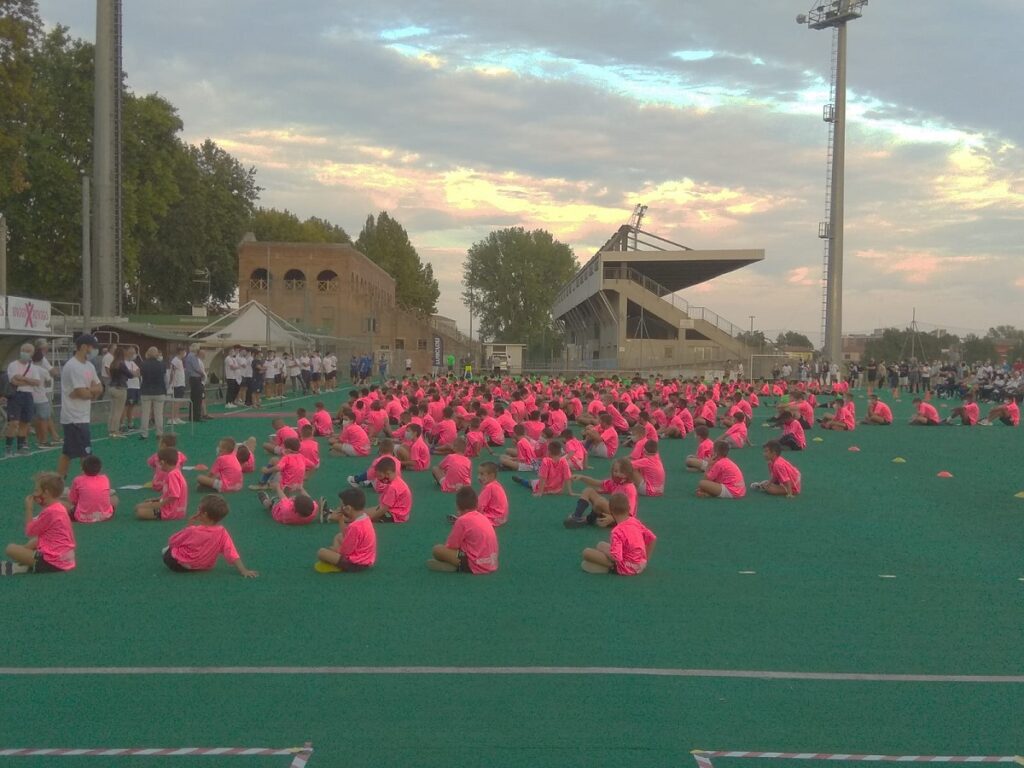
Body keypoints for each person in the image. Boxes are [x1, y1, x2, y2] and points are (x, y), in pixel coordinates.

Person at [162, 494, 258, 577]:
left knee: (169, 550)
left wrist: (188, 527)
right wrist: (243, 570)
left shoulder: (192, 530)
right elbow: (231, 552)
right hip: (203, 566)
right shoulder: (222, 532)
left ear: (204, 514)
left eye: (199, 508)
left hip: (178, 565)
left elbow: (172, 541)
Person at [1, 472, 75, 575]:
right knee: (36, 541)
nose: (34, 493)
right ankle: (24, 560)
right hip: (66, 558)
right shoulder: (59, 507)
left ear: (46, 493)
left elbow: (29, 531)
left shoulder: (49, 512)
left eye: (36, 490)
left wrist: (29, 508)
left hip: (53, 562)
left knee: (10, 549)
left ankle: (25, 563)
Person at [57, 334, 103, 481]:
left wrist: (89, 391)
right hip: (74, 417)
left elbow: (99, 387)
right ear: (84, 347)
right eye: (92, 347)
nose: (94, 350)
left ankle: (59, 481)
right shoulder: (73, 366)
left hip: (82, 416)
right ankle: (88, 482)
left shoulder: (89, 366)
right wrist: (90, 392)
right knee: (85, 452)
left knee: (69, 452)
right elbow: (81, 392)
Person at [580, 492, 656, 575]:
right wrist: (645, 559)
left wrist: (607, 553)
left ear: (611, 511)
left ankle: (611, 567)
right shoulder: (635, 522)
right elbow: (652, 538)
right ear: (629, 508)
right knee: (600, 545)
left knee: (586, 553)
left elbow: (616, 557)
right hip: (641, 563)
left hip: (626, 566)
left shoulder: (617, 531)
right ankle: (610, 566)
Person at [427, 486, 498, 573]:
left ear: (458, 506)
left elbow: (451, 546)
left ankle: (456, 567)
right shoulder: (483, 517)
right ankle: (457, 565)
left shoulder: (462, 520)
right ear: (476, 504)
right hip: (491, 563)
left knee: (437, 549)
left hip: (474, 563)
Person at [316, 487, 376, 573]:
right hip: (366, 559)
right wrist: (340, 519)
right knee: (338, 536)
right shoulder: (365, 518)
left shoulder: (355, 527)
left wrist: (335, 550)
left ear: (348, 508)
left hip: (356, 564)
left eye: (342, 506)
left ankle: (337, 564)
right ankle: (336, 558)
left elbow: (346, 551)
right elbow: (346, 535)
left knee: (321, 552)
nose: (340, 508)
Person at [564, 458, 638, 528]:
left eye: (620, 472)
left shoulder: (630, 489)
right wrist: (582, 477)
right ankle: (576, 517)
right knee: (588, 491)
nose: (616, 474)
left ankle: (589, 519)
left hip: (622, 519)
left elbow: (629, 514)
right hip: (613, 512)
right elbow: (597, 483)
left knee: (600, 502)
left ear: (627, 474)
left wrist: (612, 519)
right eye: (615, 471)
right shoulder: (615, 483)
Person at [5, 341, 42, 455]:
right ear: (20, 351)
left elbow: (37, 382)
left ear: (32, 353)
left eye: (28, 351)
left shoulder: (33, 367)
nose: (25, 353)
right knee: (14, 423)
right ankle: (8, 448)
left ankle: (20, 447)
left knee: (25, 422)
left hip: (28, 396)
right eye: (23, 350)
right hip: (16, 395)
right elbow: (14, 381)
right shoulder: (13, 365)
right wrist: (29, 381)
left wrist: (23, 378)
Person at [136, 447, 188, 520]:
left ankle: (159, 513)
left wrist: (160, 504)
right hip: (178, 510)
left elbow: (174, 495)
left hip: (171, 511)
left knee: (139, 511)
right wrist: (157, 499)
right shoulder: (176, 472)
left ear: (162, 462)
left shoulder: (172, 475)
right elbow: (171, 494)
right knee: (141, 506)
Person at [65, 455, 118, 523]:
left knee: (61, 502)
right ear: (100, 469)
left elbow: (73, 500)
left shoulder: (78, 480)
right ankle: (105, 511)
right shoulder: (105, 478)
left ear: (82, 468)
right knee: (114, 498)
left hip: (82, 517)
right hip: (105, 516)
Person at [138, 346, 167, 439]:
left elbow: (140, 376)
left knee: (145, 414)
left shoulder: (143, 364)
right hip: (159, 391)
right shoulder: (162, 364)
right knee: (159, 414)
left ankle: (144, 434)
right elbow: (165, 378)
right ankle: (159, 433)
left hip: (146, 391)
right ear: (157, 354)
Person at [469, 462, 508, 526]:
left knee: (470, 515)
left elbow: (479, 505)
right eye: (478, 474)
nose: (478, 477)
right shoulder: (496, 485)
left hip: (493, 518)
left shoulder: (489, 487)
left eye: (482, 474)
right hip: (502, 518)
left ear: (491, 475)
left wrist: (470, 513)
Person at [183, 343, 206, 423]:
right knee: (197, 398)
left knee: (194, 398)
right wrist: (203, 374)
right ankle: (196, 416)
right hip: (195, 378)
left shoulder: (189, 356)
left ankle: (192, 416)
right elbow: (196, 368)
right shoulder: (192, 356)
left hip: (192, 378)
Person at [168, 346, 187, 424]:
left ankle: (177, 417)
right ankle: (172, 418)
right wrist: (170, 382)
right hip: (176, 384)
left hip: (181, 383)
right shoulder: (175, 360)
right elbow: (172, 372)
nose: (185, 353)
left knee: (178, 401)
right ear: (181, 352)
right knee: (175, 401)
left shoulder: (180, 360)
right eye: (184, 352)